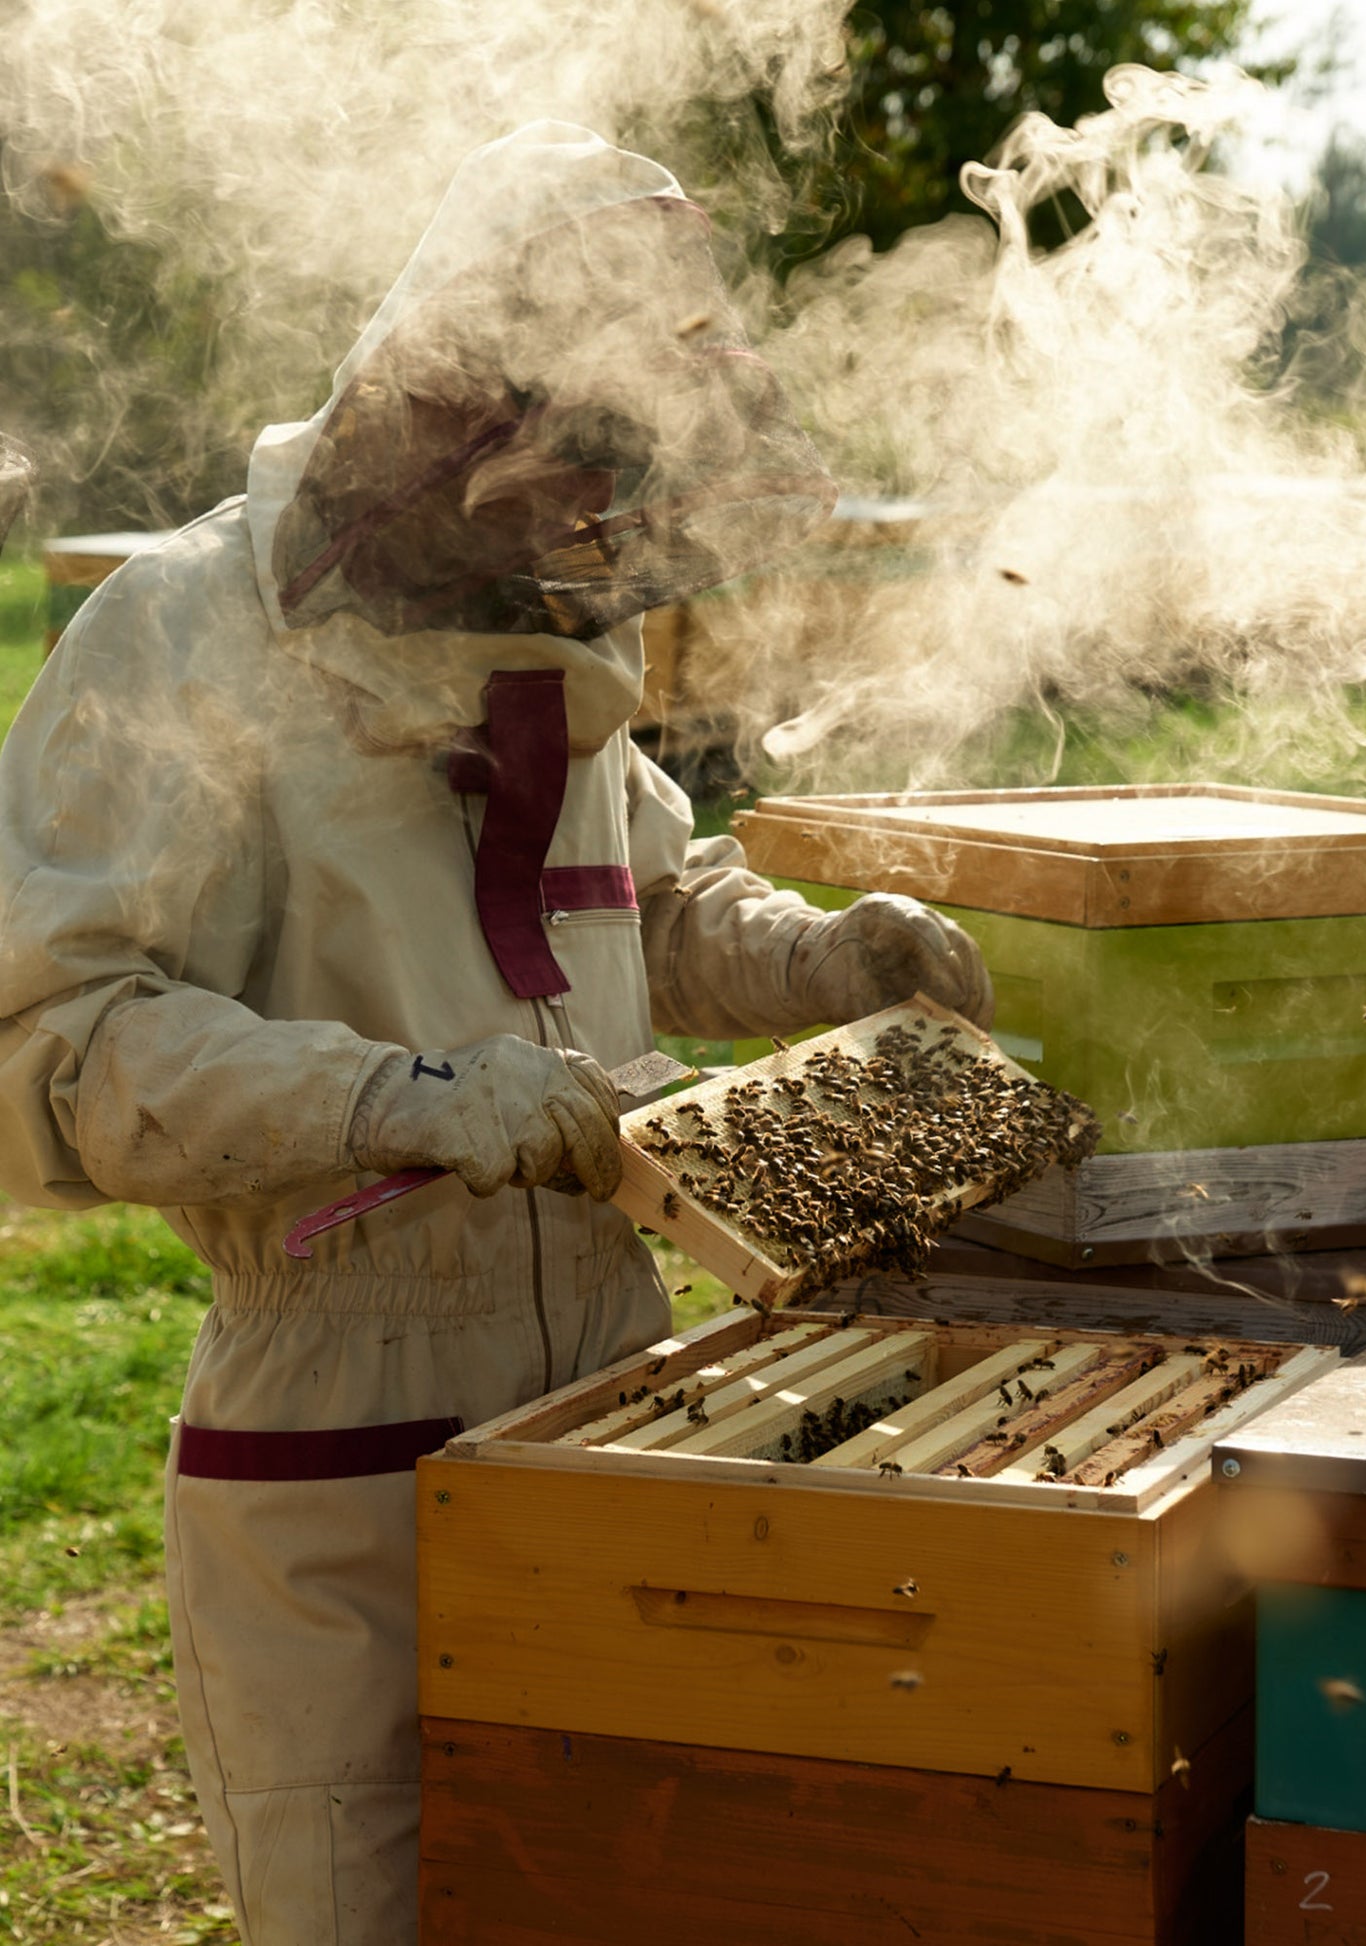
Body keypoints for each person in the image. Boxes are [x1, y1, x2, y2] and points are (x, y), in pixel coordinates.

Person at [0, 123, 990, 1945]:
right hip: (340, 1414)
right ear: (461, 413)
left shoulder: (546, 644)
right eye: (573, 473)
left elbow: (649, 912)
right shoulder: (184, 638)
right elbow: (59, 1050)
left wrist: (825, 960)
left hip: (616, 1391)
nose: (599, 529)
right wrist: (399, 1100)